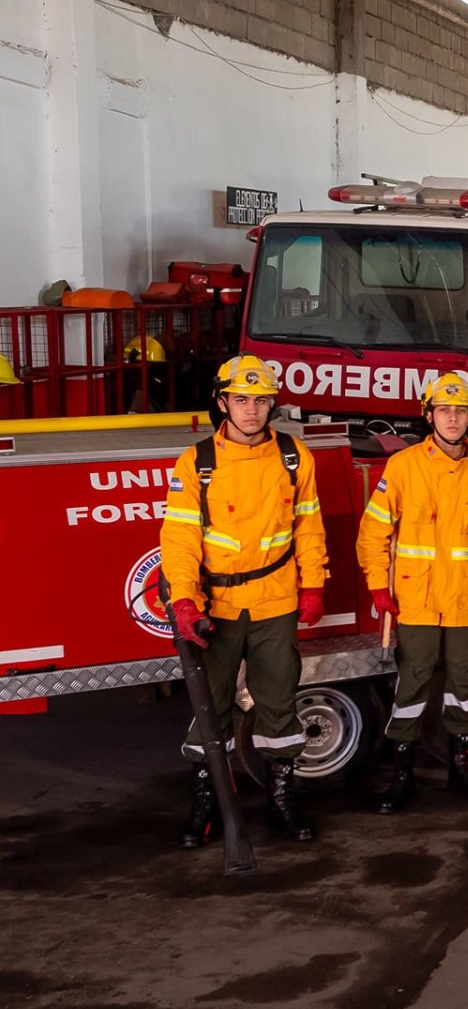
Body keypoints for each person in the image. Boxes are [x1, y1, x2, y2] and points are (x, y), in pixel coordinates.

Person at [160, 355, 329, 846]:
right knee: (210, 706)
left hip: (276, 600)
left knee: (278, 702)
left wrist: (313, 584)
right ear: (222, 403)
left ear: (272, 404)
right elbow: (180, 540)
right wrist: (186, 601)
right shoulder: (197, 463)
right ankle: (207, 800)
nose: (251, 410)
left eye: (260, 400)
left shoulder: (294, 457)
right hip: (218, 606)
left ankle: (281, 798)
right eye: (240, 400)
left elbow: (309, 527)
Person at [356, 372, 468, 813]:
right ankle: (402, 773)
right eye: (444, 410)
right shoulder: (403, 466)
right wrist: (377, 584)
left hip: (464, 599)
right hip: (417, 600)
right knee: (412, 683)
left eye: (461, 411)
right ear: (428, 415)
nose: (452, 418)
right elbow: (373, 532)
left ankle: (460, 765)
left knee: (462, 683)